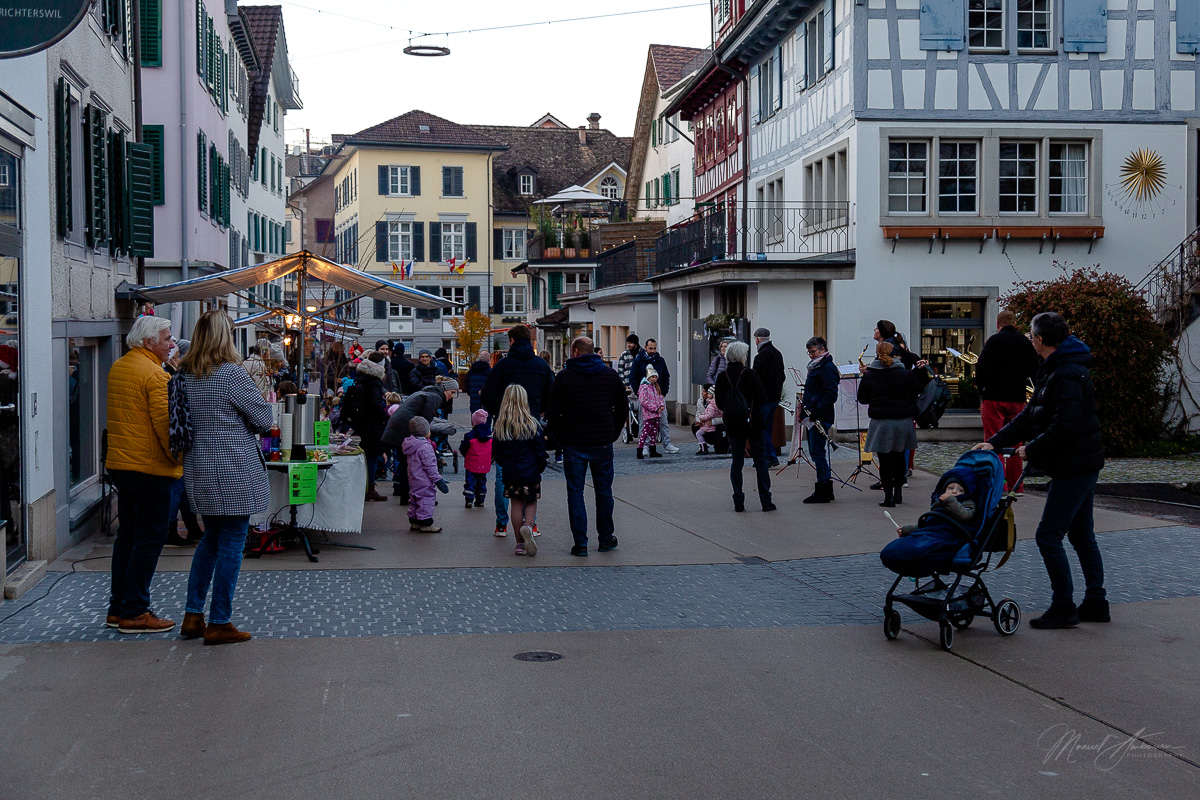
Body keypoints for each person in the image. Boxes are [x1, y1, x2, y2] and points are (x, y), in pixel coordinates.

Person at [975, 312, 1107, 629]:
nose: (1030, 340)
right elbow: (1030, 415)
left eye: (1032, 335)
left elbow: (1065, 426)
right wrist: (994, 443)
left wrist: (1030, 449)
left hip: (1075, 465)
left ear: (1041, 339)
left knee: (1048, 536)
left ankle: (1064, 606)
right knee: (1081, 535)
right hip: (1080, 462)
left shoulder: (1066, 373)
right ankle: (1095, 602)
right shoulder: (1054, 368)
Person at [179, 310, 275, 646]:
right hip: (233, 467)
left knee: (210, 540)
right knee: (233, 543)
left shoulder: (183, 375)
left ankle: (193, 615)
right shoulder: (231, 374)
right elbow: (263, 419)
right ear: (226, 337)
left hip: (198, 466)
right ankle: (220, 621)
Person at [104, 315, 180, 634]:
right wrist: (178, 459)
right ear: (149, 342)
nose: (171, 343)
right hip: (150, 468)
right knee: (149, 539)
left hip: (122, 465)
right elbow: (165, 426)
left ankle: (118, 607)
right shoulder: (155, 374)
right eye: (166, 338)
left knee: (128, 536)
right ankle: (135, 611)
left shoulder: (120, 366)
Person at [547, 336, 626, 557]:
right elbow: (622, 408)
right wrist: (613, 432)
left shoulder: (564, 377)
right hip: (602, 440)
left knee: (575, 493)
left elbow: (553, 411)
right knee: (604, 492)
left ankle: (580, 543)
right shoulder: (610, 375)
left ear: (575, 351)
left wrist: (560, 436)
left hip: (573, 441)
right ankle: (606, 538)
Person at [482, 325, 555, 535]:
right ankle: (530, 524)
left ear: (512, 340)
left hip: (506, 423)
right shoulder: (541, 365)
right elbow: (552, 394)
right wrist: (541, 412)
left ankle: (502, 523)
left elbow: (487, 394)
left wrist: (500, 412)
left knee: (503, 475)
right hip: (532, 421)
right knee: (530, 472)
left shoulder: (502, 366)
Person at [857, 342, 930, 508]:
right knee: (899, 458)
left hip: (881, 422)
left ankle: (888, 496)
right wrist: (921, 371)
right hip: (903, 421)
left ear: (877, 354)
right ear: (894, 354)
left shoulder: (870, 375)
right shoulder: (905, 374)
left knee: (885, 460)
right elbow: (919, 389)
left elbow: (862, 398)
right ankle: (898, 493)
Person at [975, 310, 1040, 492]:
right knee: (1016, 443)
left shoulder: (993, 341)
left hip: (993, 398)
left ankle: (999, 484)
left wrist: (982, 391)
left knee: (993, 441)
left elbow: (981, 369)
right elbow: (1035, 370)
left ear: (998, 324)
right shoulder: (1024, 343)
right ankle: (1015, 485)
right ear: (1015, 323)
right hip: (1017, 398)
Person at [879, 470, 978, 577]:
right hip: (930, 532)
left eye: (960, 490)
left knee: (923, 549)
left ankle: (916, 560)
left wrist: (950, 501)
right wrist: (906, 530)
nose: (954, 492)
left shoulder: (967, 503)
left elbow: (965, 516)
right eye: (950, 488)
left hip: (949, 534)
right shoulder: (940, 504)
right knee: (899, 547)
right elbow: (928, 524)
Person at [715, 341, 775, 513]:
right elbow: (762, 397)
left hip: (733, 423)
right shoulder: (749, 374)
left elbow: (719, 402)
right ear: (741, 356)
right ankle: (766, 500)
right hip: (753, 422)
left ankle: (738, 500)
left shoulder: (722, 376)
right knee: (760, 461)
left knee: (737, 461)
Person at [492, 384, 548, 557]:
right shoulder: (533, 424)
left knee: (516, 504)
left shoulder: (501, 426)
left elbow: (497, 453)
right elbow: (540, 450)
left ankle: (519, 544)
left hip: (511, 472)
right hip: (531, 471)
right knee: (531, 501)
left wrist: (505, 464)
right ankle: (528, 526)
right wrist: (540, 466)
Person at [381, 383, 451, 502]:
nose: (452, 396)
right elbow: (425, 420)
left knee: (404, 463)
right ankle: (415, 496)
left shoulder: (425, 393)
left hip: (397, 429)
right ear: (444, 390)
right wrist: (426, 435)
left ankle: (405, 495)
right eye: (452, 392)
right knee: (414, 466)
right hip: (404, 430)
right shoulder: (435, 397)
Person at [164, 339, 204, 547]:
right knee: (179, 487)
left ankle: (192, 527)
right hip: (178, 439)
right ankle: (171, 529)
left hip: (180, 437)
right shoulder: (173, 375)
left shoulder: (177, 373)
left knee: (184, 487)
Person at [341, 351, 390, 501]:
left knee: (365, 455)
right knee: (372, 456)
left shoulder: (361, 377)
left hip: (360, 422)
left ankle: (364, 486)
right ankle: (370, 488)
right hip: (371, 424)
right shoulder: (374, 382)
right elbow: (375, 403)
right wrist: (384, 416)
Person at [801, 336, 840, 504]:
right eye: (809, 352)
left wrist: (816, 412)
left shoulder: (827, 367)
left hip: (820, 416)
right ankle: (825, 489)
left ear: (822, 349)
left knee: (818, 453)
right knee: (816, 452)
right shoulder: (817, 365)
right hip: (813, 414)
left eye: (813, 352)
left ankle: (823, 488)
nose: (811, 355)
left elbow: (830, 394)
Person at [629, 338, 677, 453]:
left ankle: (667, 443)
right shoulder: (638, 360)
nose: (653, 350)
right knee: (644, 422)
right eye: (650, 348)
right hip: (645, 397)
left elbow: (666, 376)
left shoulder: (660, 360)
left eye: (654, 348)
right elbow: (633, 377)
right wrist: (639, 392)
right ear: (645, 347)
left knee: (663, 421)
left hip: (658, 395)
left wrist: (664, 392)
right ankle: (645, 446)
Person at [403, 416, 450, 533]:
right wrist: (438, 480)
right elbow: (430, 467)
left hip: (413, 477)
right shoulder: (425, 447)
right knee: (426, 499)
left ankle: (414, 520)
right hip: (424, 480)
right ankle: (426, 522)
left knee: (414, 498)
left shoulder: (411, 444)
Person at [752, 328, 786, 467]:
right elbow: (782, 376)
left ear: (757, 339)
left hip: (763, 399)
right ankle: (768, 456)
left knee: (761, 429)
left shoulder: (761, 356)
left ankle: (769, 456)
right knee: (767, 428)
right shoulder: (777, 353)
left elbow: (756, 379)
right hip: (774, 397)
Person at [459, 409, 493, 510]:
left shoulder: (469, 435)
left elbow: (463, 448)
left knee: (470, 481)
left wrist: (466, 455)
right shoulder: (489, 436)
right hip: (484, 463)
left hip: (472, 462)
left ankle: (469, 499)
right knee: (482, 481)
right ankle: (480, 500)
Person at [637, 366, 665, 458]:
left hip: (656, 413)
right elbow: (643, 401)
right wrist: (655, 408)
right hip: (649, 414)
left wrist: (661, 406)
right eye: (652, 377)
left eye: (655, 377)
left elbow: (660, 398)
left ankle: (653, 450)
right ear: (648, 377)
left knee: (654, 432)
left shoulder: (655, 387)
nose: (654, 379)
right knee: (646, 431)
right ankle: (640, 449)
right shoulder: (644, 387)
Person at [694, 384, 721, 455]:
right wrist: (700, 421)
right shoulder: (701, 402)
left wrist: (711, 421)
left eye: (704, 391)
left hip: (712, 426)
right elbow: (697, 414)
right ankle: (703, 446)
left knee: (699, 433)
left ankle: (704, 447)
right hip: (706, 424)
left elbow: (713, 416)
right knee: (695, 427)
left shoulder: (712, 404)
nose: (702, 393)